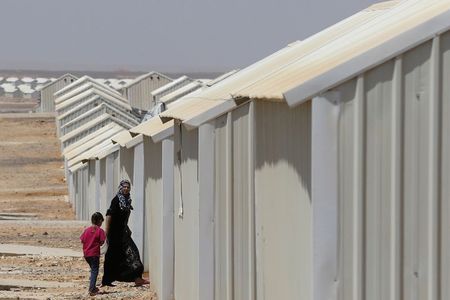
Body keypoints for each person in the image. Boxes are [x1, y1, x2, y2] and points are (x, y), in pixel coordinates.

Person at [101, 179, 150, 287]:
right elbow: (109, 215)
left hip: (123, 232)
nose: (126, 189)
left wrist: (127, 228)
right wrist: (107, 233)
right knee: (112, 256)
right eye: (124, 186)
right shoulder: (116, 200)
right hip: (114, 234)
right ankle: (106, 280)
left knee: (131, 252)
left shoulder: (127, 201)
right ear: (120, 187)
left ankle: (137, 277)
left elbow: (122, 218)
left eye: (128, 187)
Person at [80, 212, 106, 296]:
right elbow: (102, 242)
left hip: (86, 254)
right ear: (99, 221)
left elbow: (82, 240)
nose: (101, 223)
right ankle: (92, 289)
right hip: (94, 254)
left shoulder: (86, 230)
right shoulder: (100, 231)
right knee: (95, 271)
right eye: (101, 221)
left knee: (93, 270)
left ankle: (93, 286)